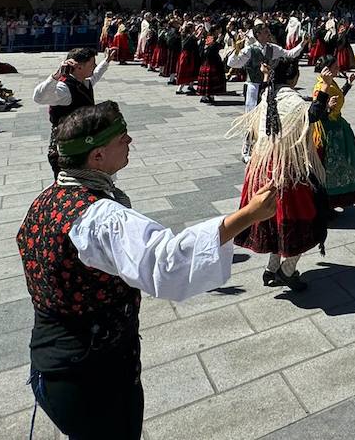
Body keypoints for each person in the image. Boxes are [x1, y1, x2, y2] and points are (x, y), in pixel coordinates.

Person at [18, 101, 277, 440]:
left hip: (54, 364)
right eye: (122, 138)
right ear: (96, 156)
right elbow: (166, 264)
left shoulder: (48, 199)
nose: (130, 142)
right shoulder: (98, 217)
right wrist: (247, 216)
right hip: (92, 377)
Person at [228, 56, 330, 291]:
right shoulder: (291, 98)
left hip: (263, 168)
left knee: (274, 221)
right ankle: (286, 270)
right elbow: (311, 114)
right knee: (306, 222)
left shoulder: (269, 95)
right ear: (293, 76)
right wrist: (324, 86)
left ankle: (271, 269)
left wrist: (266, 77)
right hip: (287, 171)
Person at [34, 47, 113, 172]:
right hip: (68, 145)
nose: (95, 66)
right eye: (92, 63)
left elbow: (96, 75)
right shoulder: (64, 89)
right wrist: (56, 75)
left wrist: (106, 61)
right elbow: (39, 97)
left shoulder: (84, 82)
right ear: (79, 67)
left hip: (83, 140)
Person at [310, 57, 355, 209]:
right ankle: (328, 202)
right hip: (328, 132)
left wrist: (348, 84)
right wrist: (327, 108)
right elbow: (316, 112)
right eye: (335, 66)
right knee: (331, 166)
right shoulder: (321, 86)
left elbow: (338, 97)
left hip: (338, 128)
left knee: (343, 165)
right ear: (327, 68)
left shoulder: (330, 82)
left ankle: (335, 201)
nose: (338, 68)